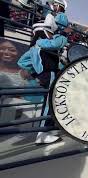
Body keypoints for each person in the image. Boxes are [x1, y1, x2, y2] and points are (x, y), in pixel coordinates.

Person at [17, 14, 68, 144]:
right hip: (50, 75)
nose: (52, 35)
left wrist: (35, 72)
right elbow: (59, 42)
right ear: (45, 32)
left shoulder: (35, 47)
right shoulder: (43, 43)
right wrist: (61, 35)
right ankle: (43, 133)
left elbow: (22, 62)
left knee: (50, 103)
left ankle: (47, 130)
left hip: (46, 75)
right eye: (51, 33)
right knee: (49, 104)